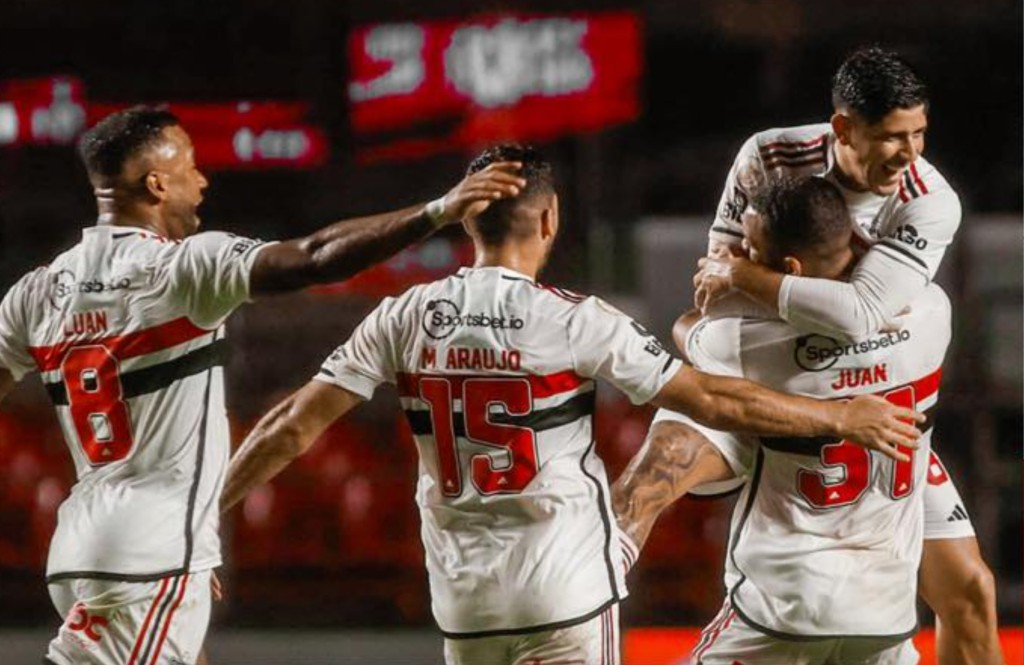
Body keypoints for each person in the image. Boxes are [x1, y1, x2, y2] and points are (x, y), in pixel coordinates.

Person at [219, 145, 922, 665]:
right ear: (549, 218)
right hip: (566, 595)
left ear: (469, 223)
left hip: (466, 604)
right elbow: (710, 396)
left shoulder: (405, 315)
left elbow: (292, 424)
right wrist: (839, 416)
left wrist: (202, 520)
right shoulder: (575, 318)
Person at [0, 105, 527, 665]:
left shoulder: (36, 291)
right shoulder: (182, 269)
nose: (202, 181)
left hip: (84, 546)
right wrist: (436, 212)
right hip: (145, 555)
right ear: (155, 184)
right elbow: (316, 257)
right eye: (191, 168)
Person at [690, 46, 1001, 665]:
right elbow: (710, 298)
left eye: (919, 133)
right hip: (781, 380)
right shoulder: (768, 156)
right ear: (842, 128)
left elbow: (854, 315)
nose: (910, 154)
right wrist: (760, 293)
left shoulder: (928, 198)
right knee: (671, 448)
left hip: (882, 397)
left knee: (970, 590)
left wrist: (748, 277)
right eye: (891, 137)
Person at [616, 176, 950, 664]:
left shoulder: (748, 346)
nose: (742, 255)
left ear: (788, 269)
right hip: (886, 617)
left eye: (751, 248)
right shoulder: (931, 313)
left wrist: (735, 280)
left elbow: (689, 328)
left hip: (782, 608)